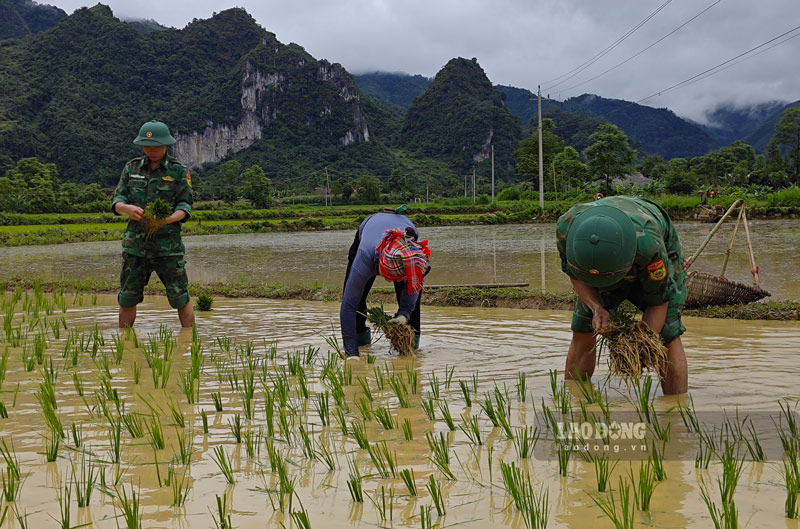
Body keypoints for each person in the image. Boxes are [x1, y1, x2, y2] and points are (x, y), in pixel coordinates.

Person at [556, 195, 688, 394]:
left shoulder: (649, 246)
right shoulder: (567, 229)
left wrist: (640, 343)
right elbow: (575, 274)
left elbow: (659, 302)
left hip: (650, 242)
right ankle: (575, 398)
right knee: (583, 327)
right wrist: (596, 307)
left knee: (667, 334)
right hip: (604, 257)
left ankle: (677, 409)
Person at [111, 120, 195, 328]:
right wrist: (127, 209)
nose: (152, 150)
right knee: (127, 297)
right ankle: (125, 343)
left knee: (180, 296)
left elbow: (185, 204)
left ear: (166, 145)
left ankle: (190, 341)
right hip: (136, 247)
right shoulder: (131, 168)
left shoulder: (177, 171)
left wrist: (169, 218)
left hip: (168, 246)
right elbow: (117, 200)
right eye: (147, 146)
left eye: (156, 146)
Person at [340, 211, 430, 358]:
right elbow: (348, 305)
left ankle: (409, 350)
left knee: (412, 303)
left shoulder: (416, 260)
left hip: (404, 244)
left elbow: (413, 287)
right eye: (388, 277)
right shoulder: (365, 256)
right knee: (356, 299)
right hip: (370, 227)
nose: (388, 281)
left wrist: (404, 314)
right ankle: (359, 342)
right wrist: (351, 355)